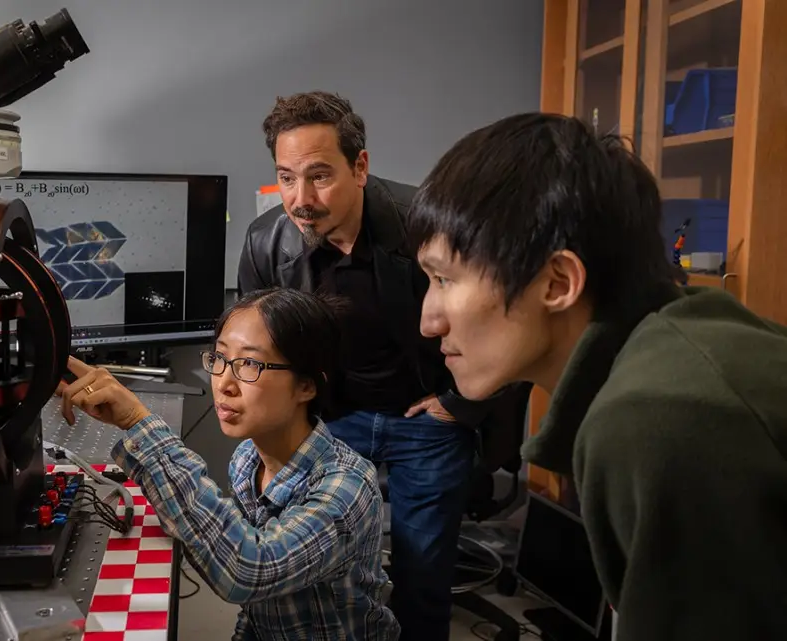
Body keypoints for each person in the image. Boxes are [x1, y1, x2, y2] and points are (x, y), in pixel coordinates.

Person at [405, 112, 787, 641]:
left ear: (558, 282)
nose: (429, 321)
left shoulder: (662, 416)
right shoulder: (670, 342)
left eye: (445, 279)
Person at [237, 90, 522, 641]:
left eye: (319, 176)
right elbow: (259, 343)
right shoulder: (266, 242)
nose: (300, 199)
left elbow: (501, 324)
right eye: (286, 178)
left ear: (360, 166)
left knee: (421, 576)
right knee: (311, 569)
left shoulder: (428, 227)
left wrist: (458, 405)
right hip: (331, 419)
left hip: (426, 421)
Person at [58, 287, 399, 641]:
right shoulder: (247, 460)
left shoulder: (347, 486)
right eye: (219, 359)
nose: (225, 383)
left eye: (250, 363)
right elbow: (257, 609)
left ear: (307, 385)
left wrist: (137, 422)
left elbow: (248, 571)